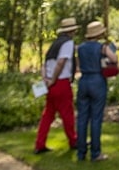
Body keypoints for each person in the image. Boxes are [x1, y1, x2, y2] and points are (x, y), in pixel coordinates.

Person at [34, 17, 78, 154]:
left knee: (48, 115)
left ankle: (39, 144)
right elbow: (61, 62)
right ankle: (73, 141)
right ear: (72, 31)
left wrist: (46, 79)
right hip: (61, 82)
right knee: (67, 114)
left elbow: (44, 65)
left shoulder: (54, 45)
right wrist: (53, 79)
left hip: (50, 83)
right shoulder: (68, 43)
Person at [75, 21, 117, 162]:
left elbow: (79, 67)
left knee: (82, 119)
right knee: (96, 118)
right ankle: (95, 153)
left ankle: (81, 153)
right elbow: (115, 59)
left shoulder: (80, 48)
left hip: (84, 81)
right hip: (97, 80)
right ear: (99, 34)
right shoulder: (102, 47)